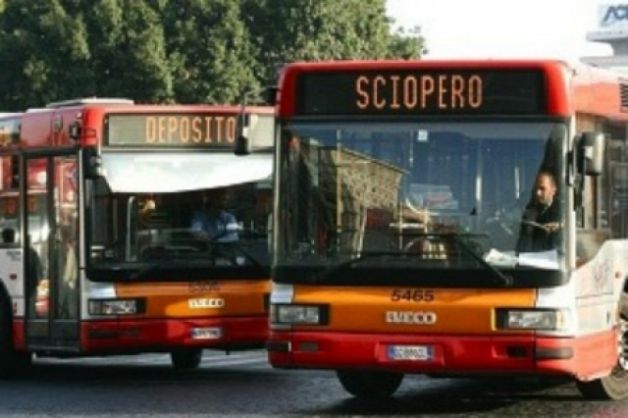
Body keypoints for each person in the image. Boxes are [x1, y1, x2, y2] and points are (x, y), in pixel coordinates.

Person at [516, 171, 561, 253]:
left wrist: (560, 227)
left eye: (542, 189)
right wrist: (528, 228)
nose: (538, 193)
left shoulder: (563, 211)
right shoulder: (529, 209)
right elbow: (520, 248)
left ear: (553, 190)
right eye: (536, 188)